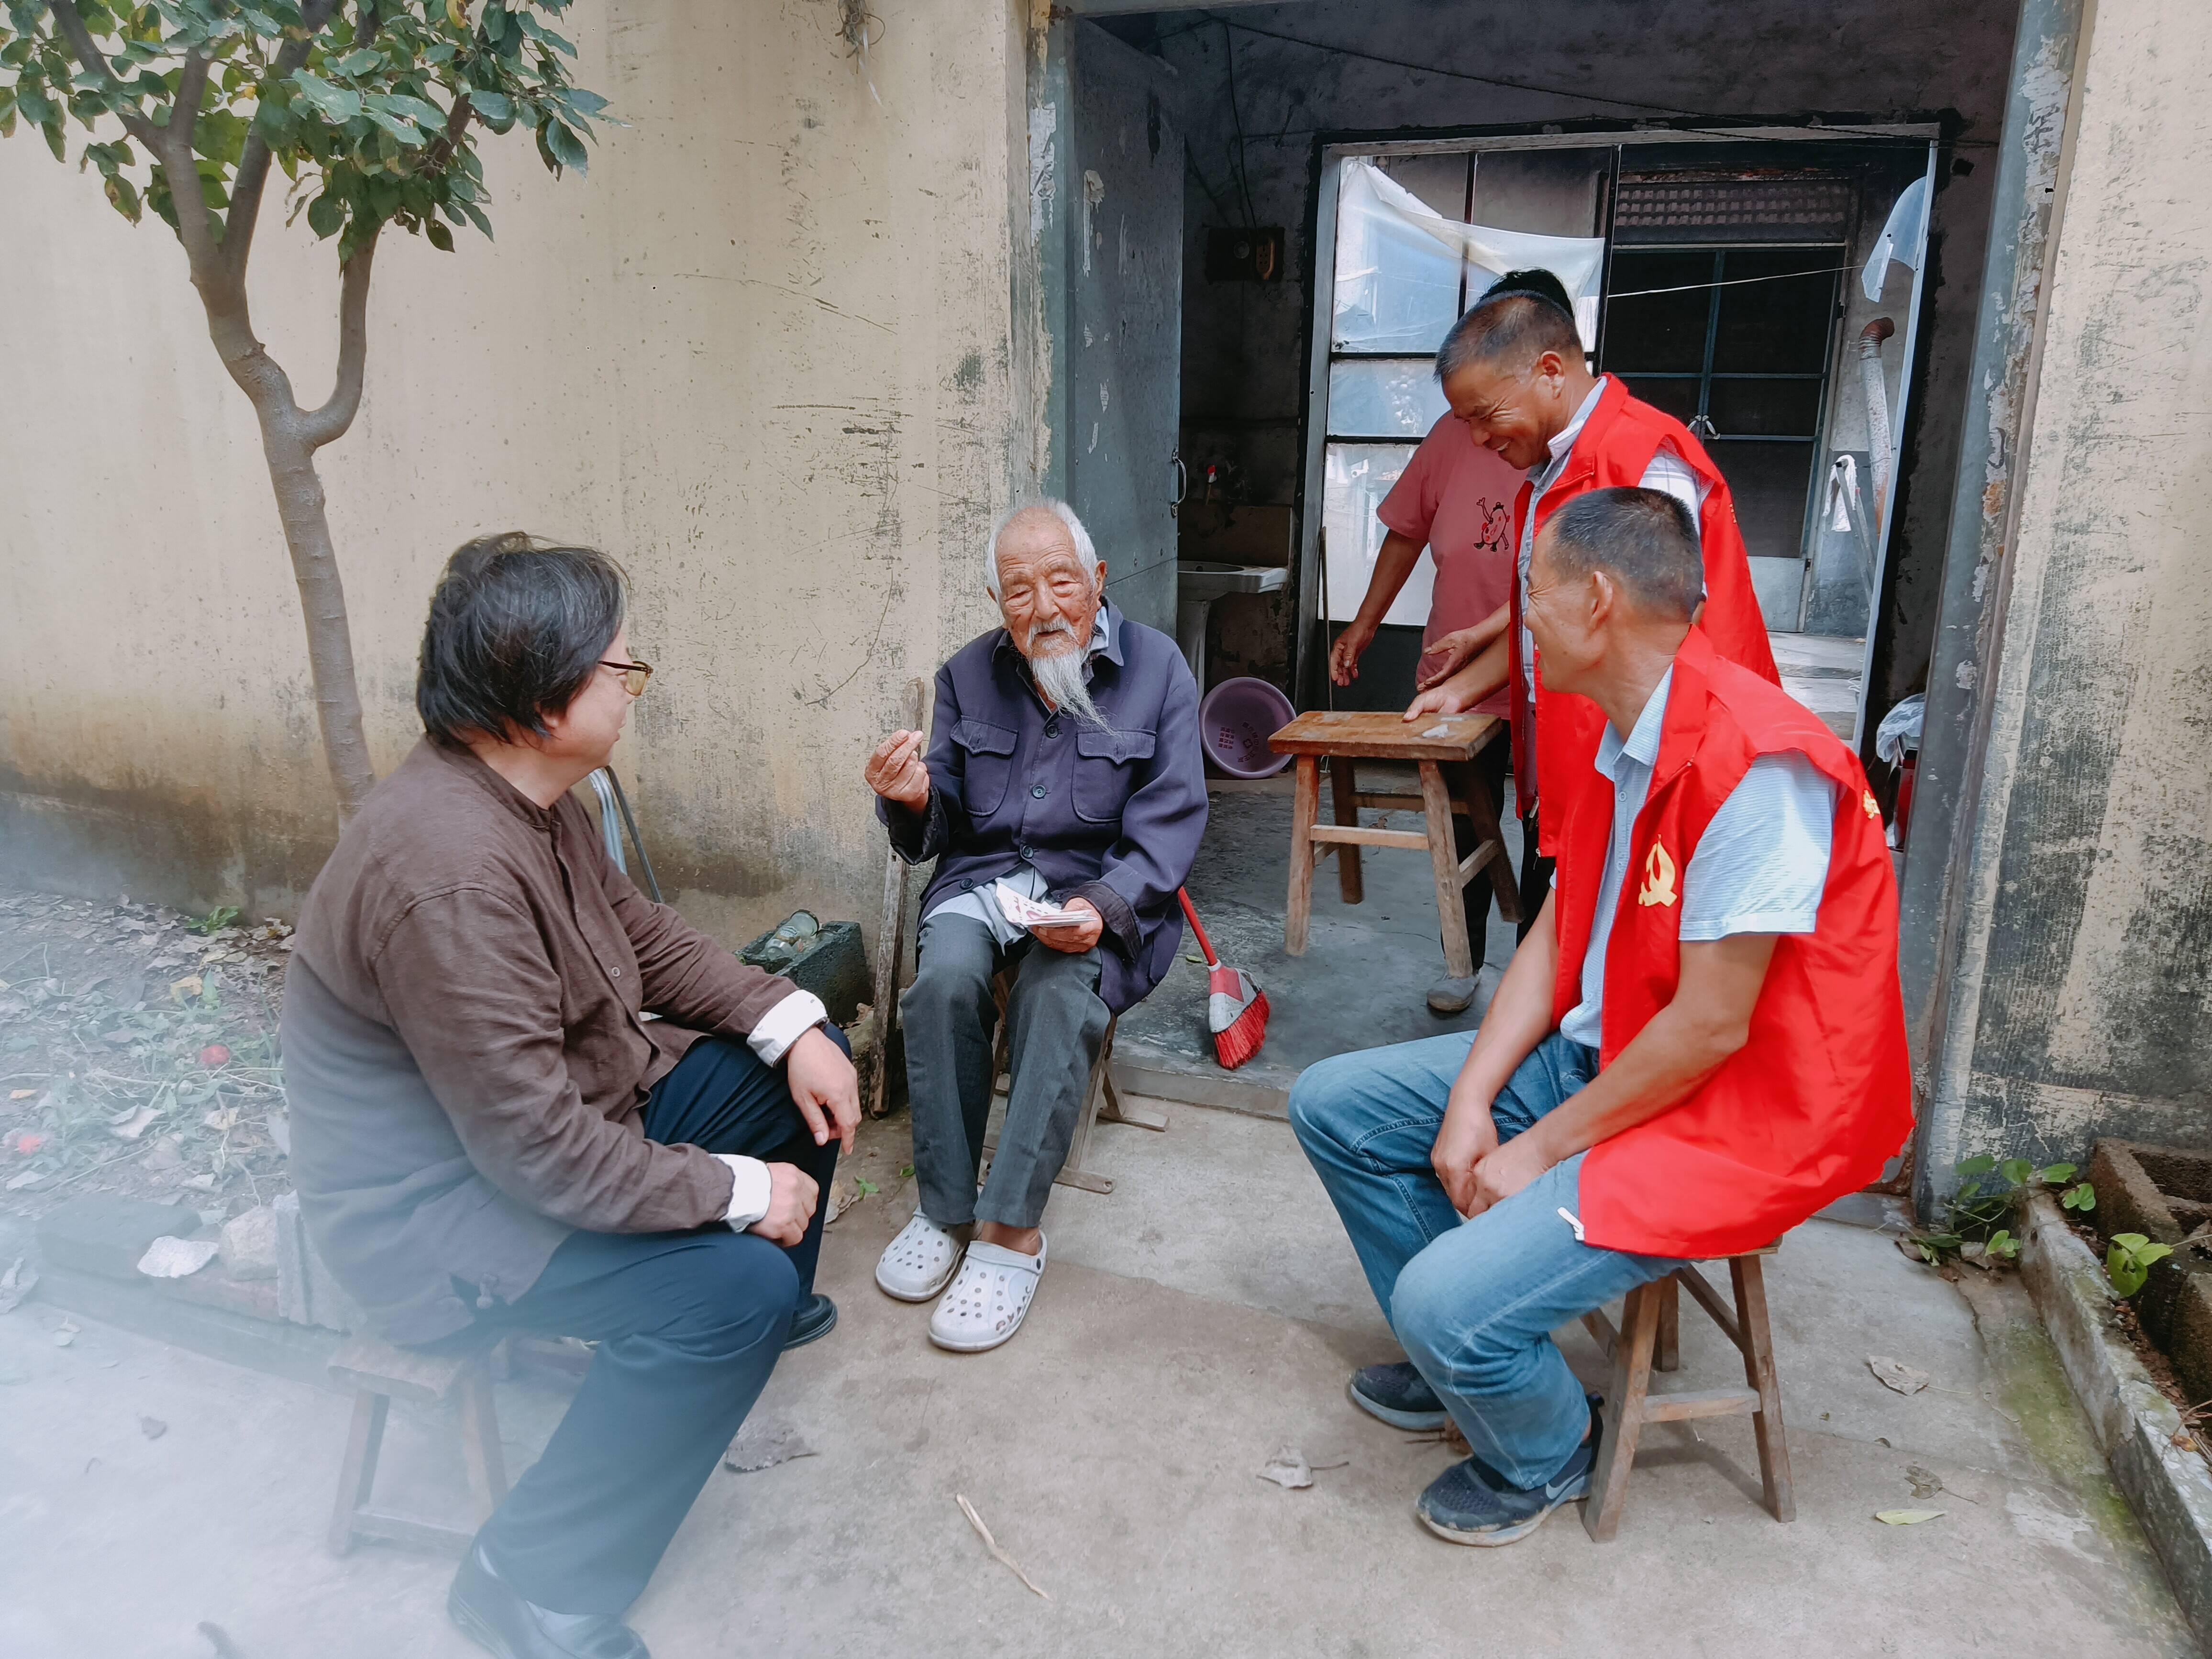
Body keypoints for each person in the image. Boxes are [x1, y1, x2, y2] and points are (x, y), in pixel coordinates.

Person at [1289, 488, 1910, 1547]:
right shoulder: (1624, 731)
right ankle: (1469, 1355)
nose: (1519, 615)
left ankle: (1541, 1448)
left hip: (1721, 1116)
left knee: (1441, 1306)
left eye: (1531, 591)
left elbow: (1710, 1032)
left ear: (1595, 601)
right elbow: (1555, 933)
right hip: (1609, 1056)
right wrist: (1473, 1100)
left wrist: (1530, 1152)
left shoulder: (1756, 765)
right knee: (1332, 1105)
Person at [282, 534, 861, 1659]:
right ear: (542, 702)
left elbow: (636, 936)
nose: (633, 689)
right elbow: (537, 1156)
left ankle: (733, 1326)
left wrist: (789, 1021)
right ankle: (524, 1578)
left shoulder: (542, 795)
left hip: (563, 1132)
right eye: (619, 671)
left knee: (799, 1068)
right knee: (730, 1284)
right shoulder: (445, 873)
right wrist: (740, 1192)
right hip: (446, 1221)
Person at [864, 500, 1206, 1352]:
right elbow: (936, 823)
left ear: (1096, 581)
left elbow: (1171, 819)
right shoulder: (965, 676)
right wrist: (909, 797)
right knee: (942, 980)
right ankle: (945, 1209)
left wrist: (1101, 906)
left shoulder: (1159, 670)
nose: (1044, 606)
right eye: (1019, 590)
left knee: (1058, 992)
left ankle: (1011, 1230)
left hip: (1097, 891)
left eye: (1061, 581)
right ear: (996, 598)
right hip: (982, 883)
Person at [1401, 276, 1780, 939]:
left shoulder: (1642, 462)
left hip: (1657, 784)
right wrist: (1461, 690)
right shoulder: (1553, 470)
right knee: (1556, 956)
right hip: (1577, 778)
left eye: (1485, 415)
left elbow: (1671, 638)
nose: (1480, 440)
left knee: (1609, 972)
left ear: (1551, 371)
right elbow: (1541, 626)